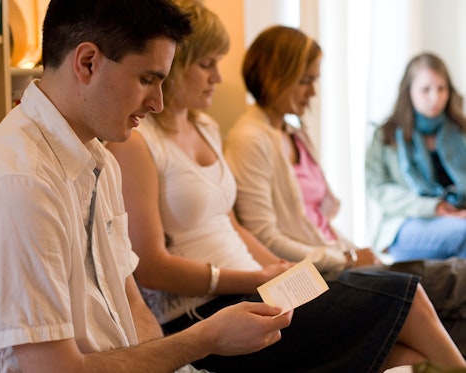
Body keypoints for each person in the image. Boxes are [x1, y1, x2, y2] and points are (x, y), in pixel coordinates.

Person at [0, 1, 295, 372]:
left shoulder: (100, 162)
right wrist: (203, 339)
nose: (157, 103)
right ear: (87, 62)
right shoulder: (17, 186)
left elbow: (133, 305)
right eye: (147, 79)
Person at [106, 7, 466, 370]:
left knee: (410, 348)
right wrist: (259, 276)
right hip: (205, 308)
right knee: (411, 297)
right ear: (178, 64)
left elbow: (234, 225)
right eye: (208, 64)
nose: (218, 77)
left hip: (255, 286)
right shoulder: (139, 141)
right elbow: (151, 267)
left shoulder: (207, 128)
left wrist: (279, 267)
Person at [223, 25, 466, 358]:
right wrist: (347, 257)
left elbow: (318, 222)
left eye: (315, 80)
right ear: (275, 76)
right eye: (306, 80)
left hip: (336, 258)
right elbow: (266, 237)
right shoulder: (250, 138)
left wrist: (353, 250)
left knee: (456, 287)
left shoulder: (294, 132)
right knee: (448, 285)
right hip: (321, 272)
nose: (312, 92)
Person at [365, 52, 466, 262]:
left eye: (441, 88)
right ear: (408, 91)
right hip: (408, 221)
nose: (435, 98)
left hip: (460, 215)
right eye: (425, 90)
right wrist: (434, 207)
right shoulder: (386, 135)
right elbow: (379, 190)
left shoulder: (460, 130)